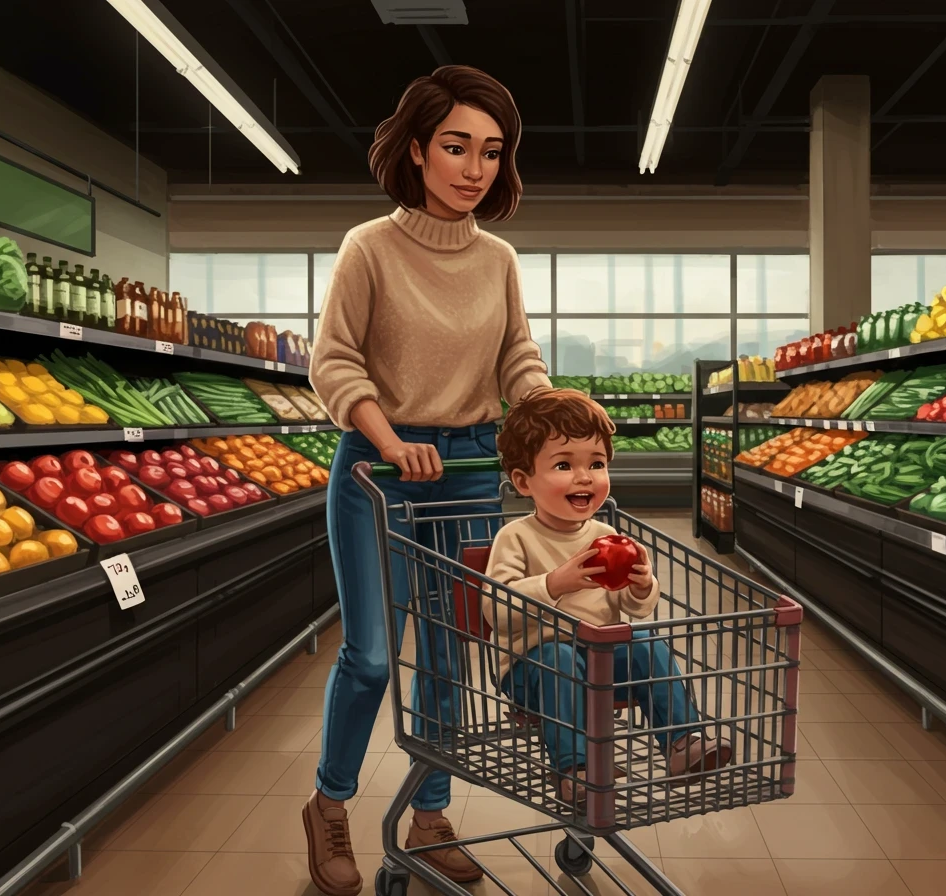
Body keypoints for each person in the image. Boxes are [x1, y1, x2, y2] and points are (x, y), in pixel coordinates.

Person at [304, 65, 549, 896]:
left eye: (491, 151)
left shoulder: (500, 259)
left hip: (472, 469)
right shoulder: (368, 248)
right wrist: (388, 439)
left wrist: (552, 411)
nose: (474, 168)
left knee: (449, 658)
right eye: (455, 147)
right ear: (416, 150)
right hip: (379, 470)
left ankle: (430, 815)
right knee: (373, 657)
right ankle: (330, 804)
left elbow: (516, 355)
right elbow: (332, 360)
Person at [484, 388, 732, 802]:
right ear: (524, 481)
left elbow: (632, 609)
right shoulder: (516, 538)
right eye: (564, 464)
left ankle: (682, 743)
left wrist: (640, 586)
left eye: (596, 464)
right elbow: (497, 610)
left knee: (646, 642)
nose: (585, 477)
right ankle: (577, 767)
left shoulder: (607, 537)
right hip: (532, 665)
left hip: (599, 658)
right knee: (559, 659)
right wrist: (554, 583)